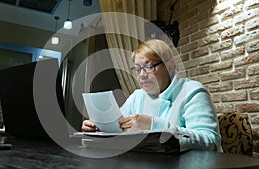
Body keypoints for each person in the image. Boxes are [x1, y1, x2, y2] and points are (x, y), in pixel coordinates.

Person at [82, 39, 221, 152]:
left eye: (149, 67)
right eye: (137, 69)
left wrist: (154, 125)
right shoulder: (137, 96)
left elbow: (210, 140)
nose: (141, 75)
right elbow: (118, 128)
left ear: (170, 66)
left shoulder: (192, 91)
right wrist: (100, 127)